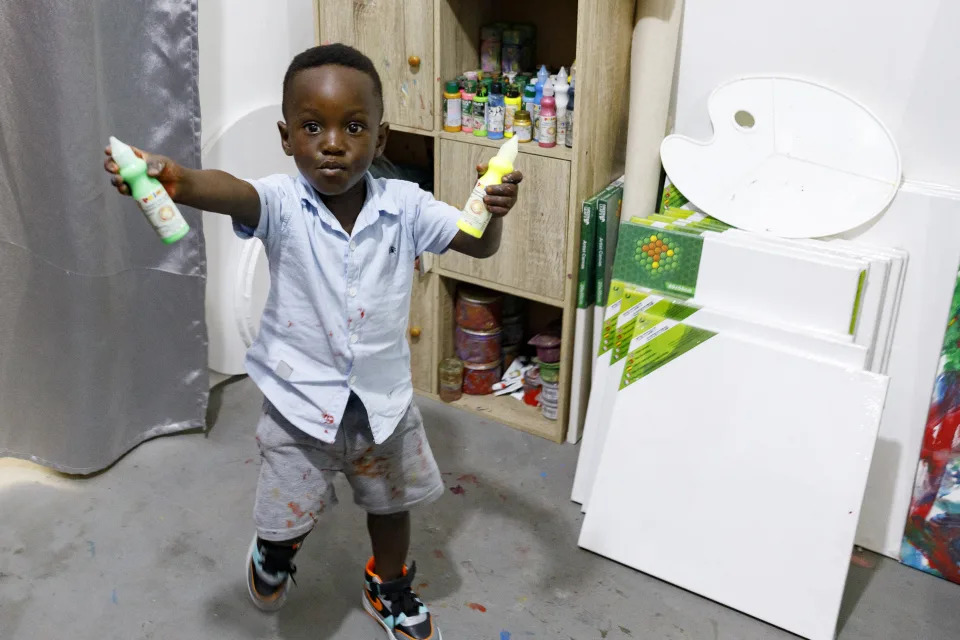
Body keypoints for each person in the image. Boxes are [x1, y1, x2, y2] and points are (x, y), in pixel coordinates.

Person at [104, 43, 522, 640]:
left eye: (353, 127)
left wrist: (494, 211)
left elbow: (474, 243)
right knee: (284, 514)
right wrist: (178, 179)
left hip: (382, 404)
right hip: (299, 404)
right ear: (285, 136)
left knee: (390, 504)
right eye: (311, 126)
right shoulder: (281, 203)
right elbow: (230, 190)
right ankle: (273, 555)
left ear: (380, 140)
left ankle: (389, 584)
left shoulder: (404, 206)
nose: (332, 142)